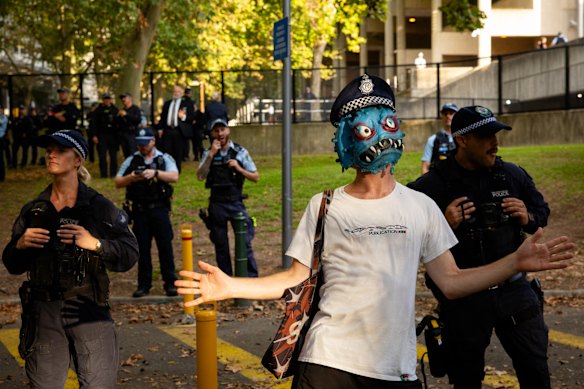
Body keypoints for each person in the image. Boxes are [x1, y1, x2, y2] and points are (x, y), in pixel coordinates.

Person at [175, 74, 574, 389]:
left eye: (385, 124)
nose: (378, 135)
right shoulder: (325, 205)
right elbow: (294, 278)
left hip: (394, 370)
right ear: (347, 141)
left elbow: (451, 283)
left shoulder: (421, 206)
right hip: (328, 361)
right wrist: (229, 286)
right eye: (364, 129)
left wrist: (515, 261)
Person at [408, 105, 554, 388]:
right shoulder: (431, 186)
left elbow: (541, 215)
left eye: (496, 134)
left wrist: (528, 217)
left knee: (536, 371)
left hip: (514, 289)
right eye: (486, 135)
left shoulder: (511, 175)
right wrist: (443, 224)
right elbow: (407, 236)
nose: (495, 143)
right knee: (466, 379)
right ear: (462, 140)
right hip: (464, 298)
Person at [2, 129, 138, 388]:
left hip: (87, 308)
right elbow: (11, 264)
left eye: (60, 150)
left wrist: (95, 244)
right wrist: (19, 245)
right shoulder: (35, 210)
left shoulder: (98, 207)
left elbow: (130, 253)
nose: (51, 154)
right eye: (49, 150)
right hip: (43, 312)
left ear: (78, 160)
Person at [115, 128, 179, 298]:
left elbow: (174, 176)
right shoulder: (132, 159)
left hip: (160, 209)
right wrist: (132, 178)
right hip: (140, 211)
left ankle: (170, 283)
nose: (142, 147)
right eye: (139, 144)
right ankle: (144, 285)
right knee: (142, 249)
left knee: (165, 247)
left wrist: (156, 173)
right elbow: (118, 181)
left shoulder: (163, 158)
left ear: (153, 141)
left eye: (145, 143)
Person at [196, 118, 259, 277]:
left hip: (235, 203)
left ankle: (250, 278)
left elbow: (255, 177)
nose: (220, 134)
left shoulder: (240, 152)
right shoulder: (207, 153)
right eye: (216, 131)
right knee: (220, 245)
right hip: (217, 204)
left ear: (228, 131)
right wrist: (211, 155)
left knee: (244, 242)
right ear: (211, 134)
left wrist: (239, 168)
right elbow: (200, 176)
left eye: (222, 129)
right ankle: (226, 279)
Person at [158, 85, 194, 172]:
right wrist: (160, 128)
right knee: (167, 151)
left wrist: (183, 117)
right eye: (174, 91)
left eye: (178, 91)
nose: (176, 93)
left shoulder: (186, 104)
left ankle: (177, 170)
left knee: (178, 152)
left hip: (179, 131)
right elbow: (163, 118)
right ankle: (167, 169)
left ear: (182, 93)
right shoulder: (167, 104)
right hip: (168, 130)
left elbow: (192, 117)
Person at [420, 102, 458, 175]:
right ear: (442, 117)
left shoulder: (464, 139)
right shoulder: (433, 140)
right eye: (445, 114)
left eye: (451, 113)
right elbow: (425, 166)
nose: (448, 116)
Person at [92, 93, 120, 178]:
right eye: (105, 99)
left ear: (111, 100)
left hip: (113, 135)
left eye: (108, 99)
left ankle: (113, 173)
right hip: (101, 135)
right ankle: (103, 174)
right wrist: (94, 135)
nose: (107, 101)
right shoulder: (98, 110)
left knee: (113, 155)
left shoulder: (115, 110)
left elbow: (119, 123)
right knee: (102, 155)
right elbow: (93, 124)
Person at [115, 92, 142, 158]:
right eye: (122, 98)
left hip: (132, 134)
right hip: (123, 134)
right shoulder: (122, 110)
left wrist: (126, 115)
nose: (123, 99)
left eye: (125, 97)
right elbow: (117, 123)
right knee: (126, 154)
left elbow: (138, 120)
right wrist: (118, 116)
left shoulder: (135, 109)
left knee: (133, 153)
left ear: (130, 98)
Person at [10, 104, 34, 169]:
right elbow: (13, 128)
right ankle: (14, 164)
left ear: (25, 110)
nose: (21, 111)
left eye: (23, 109)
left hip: (24, 139)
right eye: (20, 109)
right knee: (14, 151)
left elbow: (30, 129)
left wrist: (26, 134)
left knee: (24, 152)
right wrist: (14, 135)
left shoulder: (28, 119)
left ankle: (23, 164)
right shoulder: (16, 119)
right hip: (17, 138)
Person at [0, 104, 7, 181]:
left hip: (1, 139)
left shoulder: (4, 118)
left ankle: (2, 176)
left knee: (1, 158)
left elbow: (1, 123)